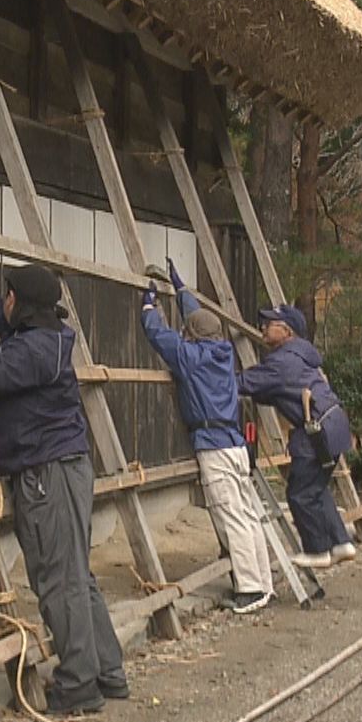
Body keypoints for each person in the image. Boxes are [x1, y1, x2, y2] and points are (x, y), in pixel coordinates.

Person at [0, 214, 129, 716]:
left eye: (9, 294)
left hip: (46, 474)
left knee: (58, 579)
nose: (2, 300)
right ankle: (106, 669)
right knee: (77, 574)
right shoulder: (40, 330)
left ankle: (78, 684)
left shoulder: (36, 348)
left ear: (25, 303)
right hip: (61, 466)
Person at [139, 260, 274, 613]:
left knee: (231, 515)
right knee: (247, 513)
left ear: (193, 336)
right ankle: (263, 581)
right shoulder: (223, 354)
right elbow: (198, 320)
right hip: (236, 444)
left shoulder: (190, 357)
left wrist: (149, 303)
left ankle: (250, 589)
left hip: (213, 446)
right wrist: (182, 290)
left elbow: (158, 335)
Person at [237, 304, 356, 569]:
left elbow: (246, 383)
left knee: (300, 494)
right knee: (315, 488)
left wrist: (209, 379)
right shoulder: (301, 358)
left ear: (287, 330)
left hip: (315, 430)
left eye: (270, 324)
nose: (263, 328)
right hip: (334, 425)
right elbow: (275, 390)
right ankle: (341, 542)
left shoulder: (282, 361)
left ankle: (318, 551)